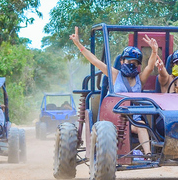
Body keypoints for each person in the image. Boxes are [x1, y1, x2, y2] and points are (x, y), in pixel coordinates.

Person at [68, 26, 158, 155]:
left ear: (138, 65)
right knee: (108, 130)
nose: (131, 64)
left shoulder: (140, 79)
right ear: (122, 61)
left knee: (141, 125)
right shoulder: (115, 75)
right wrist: (78, 43)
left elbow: (150, 67)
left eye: (135, 62)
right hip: (113, 119)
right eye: (128, 61)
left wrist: (154, 52)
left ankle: (148, 154)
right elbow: (95, 61)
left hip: (133, 120)